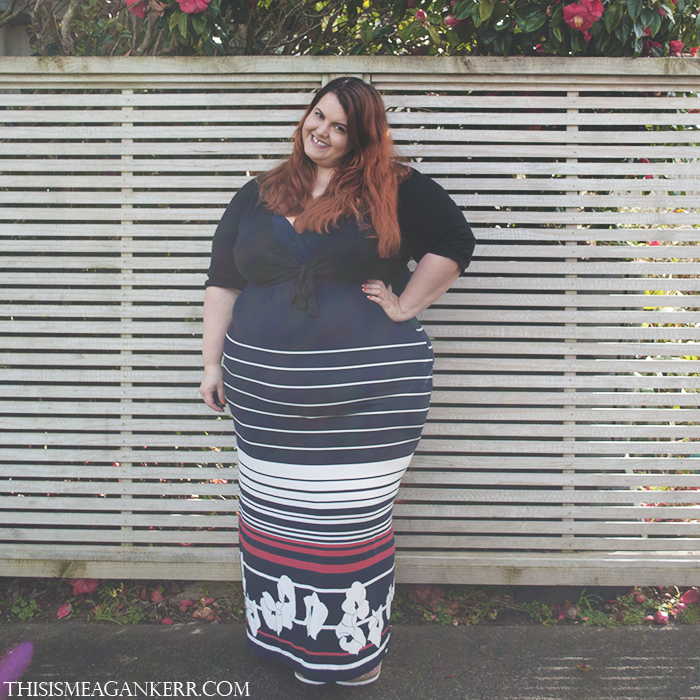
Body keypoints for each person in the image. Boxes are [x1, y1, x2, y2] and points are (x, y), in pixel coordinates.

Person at [199, 76, 475, 686]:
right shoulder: (260, 192)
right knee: (275, 518)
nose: (321, 131)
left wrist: (405, 306)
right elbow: (223, 280)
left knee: (347, 523)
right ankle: (282, 642)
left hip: (370, 399)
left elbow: (456, 241)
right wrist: (212, 363)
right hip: (266, 403)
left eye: (340, 125)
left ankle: (348, 654)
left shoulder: (393, 188)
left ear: (362, 136)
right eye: (316, 116)